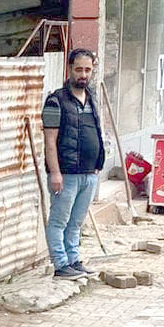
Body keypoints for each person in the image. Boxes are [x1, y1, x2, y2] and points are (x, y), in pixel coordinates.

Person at [41, 49, 107, 279]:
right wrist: (55, 173)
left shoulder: (92, 98)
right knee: (59, 221)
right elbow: (50, 142)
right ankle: (60, 265)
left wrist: (98, 164)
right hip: (66, 174)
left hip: (89, 173)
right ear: (69, 69)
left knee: (76, 223)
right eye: (78, 69)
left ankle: (73, 261)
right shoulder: (55, 101)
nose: (83, 74)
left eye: (87, 70)